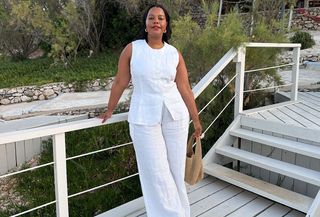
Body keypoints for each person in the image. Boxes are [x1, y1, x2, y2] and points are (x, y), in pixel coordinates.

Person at [99, 4, 202, 217]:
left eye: (161, 18)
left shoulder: (174, 53)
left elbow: (184, 88)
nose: (156, 21)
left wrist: (196, 119)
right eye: (151, 18)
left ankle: (182, 213)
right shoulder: (133, 49)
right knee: (156, 171)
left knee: (175, 169)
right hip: (143, 116)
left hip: (175, 116)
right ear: (145, 25)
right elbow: (120, 81)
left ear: (165, 26)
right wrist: (110, 109)